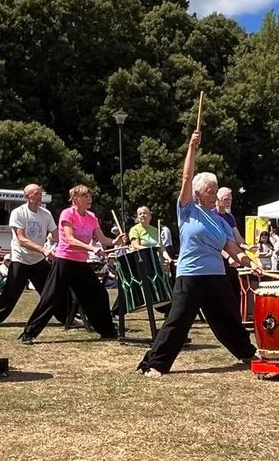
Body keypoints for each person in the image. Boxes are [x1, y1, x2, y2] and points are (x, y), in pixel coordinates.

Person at [137, 130, 256, 377]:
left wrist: (248, 262)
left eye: (215, 191)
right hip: (190, 275)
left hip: (215, 276)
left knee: (228, 319)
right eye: (211, 192)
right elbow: (186, 177)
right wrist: (192, 147)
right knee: (177, 322)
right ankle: (155, 363)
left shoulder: (220, 221)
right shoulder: (187, 210)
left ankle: (247, 353)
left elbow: (231, 248)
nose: (215, 196)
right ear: (199, 193)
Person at [18, 185, 125, 344]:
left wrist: (115, 241)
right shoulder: (67, 214)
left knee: (99, 294)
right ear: (75, 199)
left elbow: (103, 239)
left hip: (80, 263)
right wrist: (92, 248)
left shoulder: (91, 217)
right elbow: (69, 239)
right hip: (64, 261)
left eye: (89, 196)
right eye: (85, 196)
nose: (89, 199)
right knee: (51, 298)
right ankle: (29, 334)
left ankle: (107, 331)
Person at [0, 183, 60, 326]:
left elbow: (56, 235)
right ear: (26, 196)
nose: (39, 196)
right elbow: (21, 239)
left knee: (51, 292)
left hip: (38, 260)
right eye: (35, 193)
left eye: (40, 193)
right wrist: (43, 249)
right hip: (20, 259)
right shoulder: (18, 213)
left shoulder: (46, 214)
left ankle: (67, 317)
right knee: (10, 296)